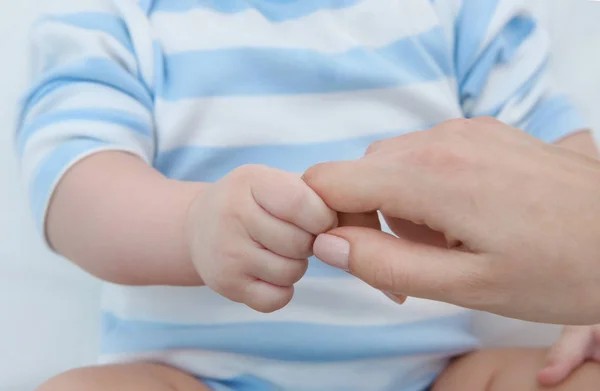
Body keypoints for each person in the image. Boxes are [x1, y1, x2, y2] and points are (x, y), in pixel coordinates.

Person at [16, 0, 599, 390]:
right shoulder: (116, 17)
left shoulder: (463, 14)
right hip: (185, 376)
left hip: (441, 375)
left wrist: (586, 281)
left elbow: (556, 174)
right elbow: (75, 189)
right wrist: (193, 226)